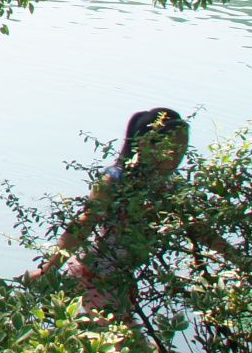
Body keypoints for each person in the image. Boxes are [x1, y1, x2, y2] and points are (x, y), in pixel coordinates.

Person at [28, 106, 212, 317]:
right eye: (171, 148)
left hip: (120, 282)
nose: (178, 156)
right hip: (92, 276)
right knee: (125, 345)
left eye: (182, 149)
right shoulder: (115, 180)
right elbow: (84, 224)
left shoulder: (170, 189)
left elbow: (199, 230)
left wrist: (241, 262)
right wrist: (48, 270)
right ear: (144, 145)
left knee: (130, 344)